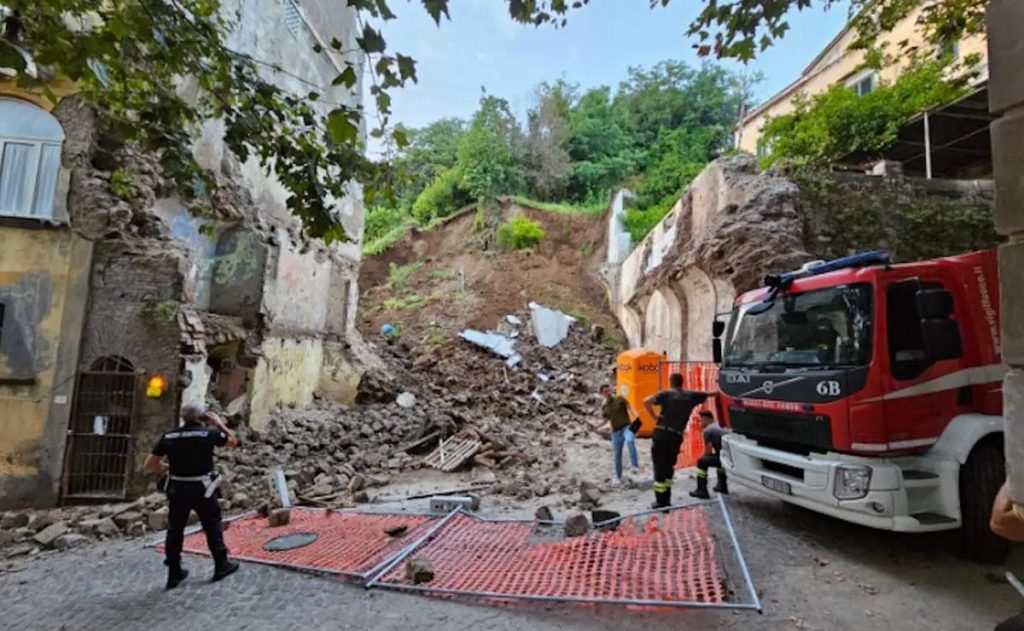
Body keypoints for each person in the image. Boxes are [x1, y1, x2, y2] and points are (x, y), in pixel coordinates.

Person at [144, 404, 241, 590]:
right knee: (212, 525)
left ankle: (174, 572)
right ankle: (221, 565)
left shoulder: (169, 435)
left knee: (175, 529)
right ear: (202, 417)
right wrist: (220, 423)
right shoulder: (207, 434)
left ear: (183, 417)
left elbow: (150, 464)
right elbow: (232, 441)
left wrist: (167, 468)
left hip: (177, 488)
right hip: (202, 488)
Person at [643, 373, 710, 509]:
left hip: (661, 434)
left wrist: (654, 416)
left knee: (659, 467)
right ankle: (667, 499)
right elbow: (710, 394)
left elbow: (646, 401)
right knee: (669, 466)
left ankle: (661, 502)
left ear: (671, 382)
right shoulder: (691, 396)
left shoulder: (666, 394)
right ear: (682, 382)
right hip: (676, 436)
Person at [596, 384, 639, 483]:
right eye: (605, 392)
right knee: (617, 454)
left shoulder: (620, 399)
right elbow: (605, 420)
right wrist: (597, 427)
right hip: (615, 431)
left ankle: (634, 465)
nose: (608, 393)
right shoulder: (605, 406)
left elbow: (630, 407)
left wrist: (636, 416)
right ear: (602, 394)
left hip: (626, 426)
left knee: (630, 440)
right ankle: (619, 476)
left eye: (609, 390)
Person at [690, 410, 730, 499]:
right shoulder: (719, 425)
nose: (700, 423)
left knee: (702, 461)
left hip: (726, 457)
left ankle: (701, 490)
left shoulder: (708, 430)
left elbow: (708, 451)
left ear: (706, 419)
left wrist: (704, 456)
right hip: (730, 457)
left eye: (700, 420)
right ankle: (722, 486)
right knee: (719, 457)